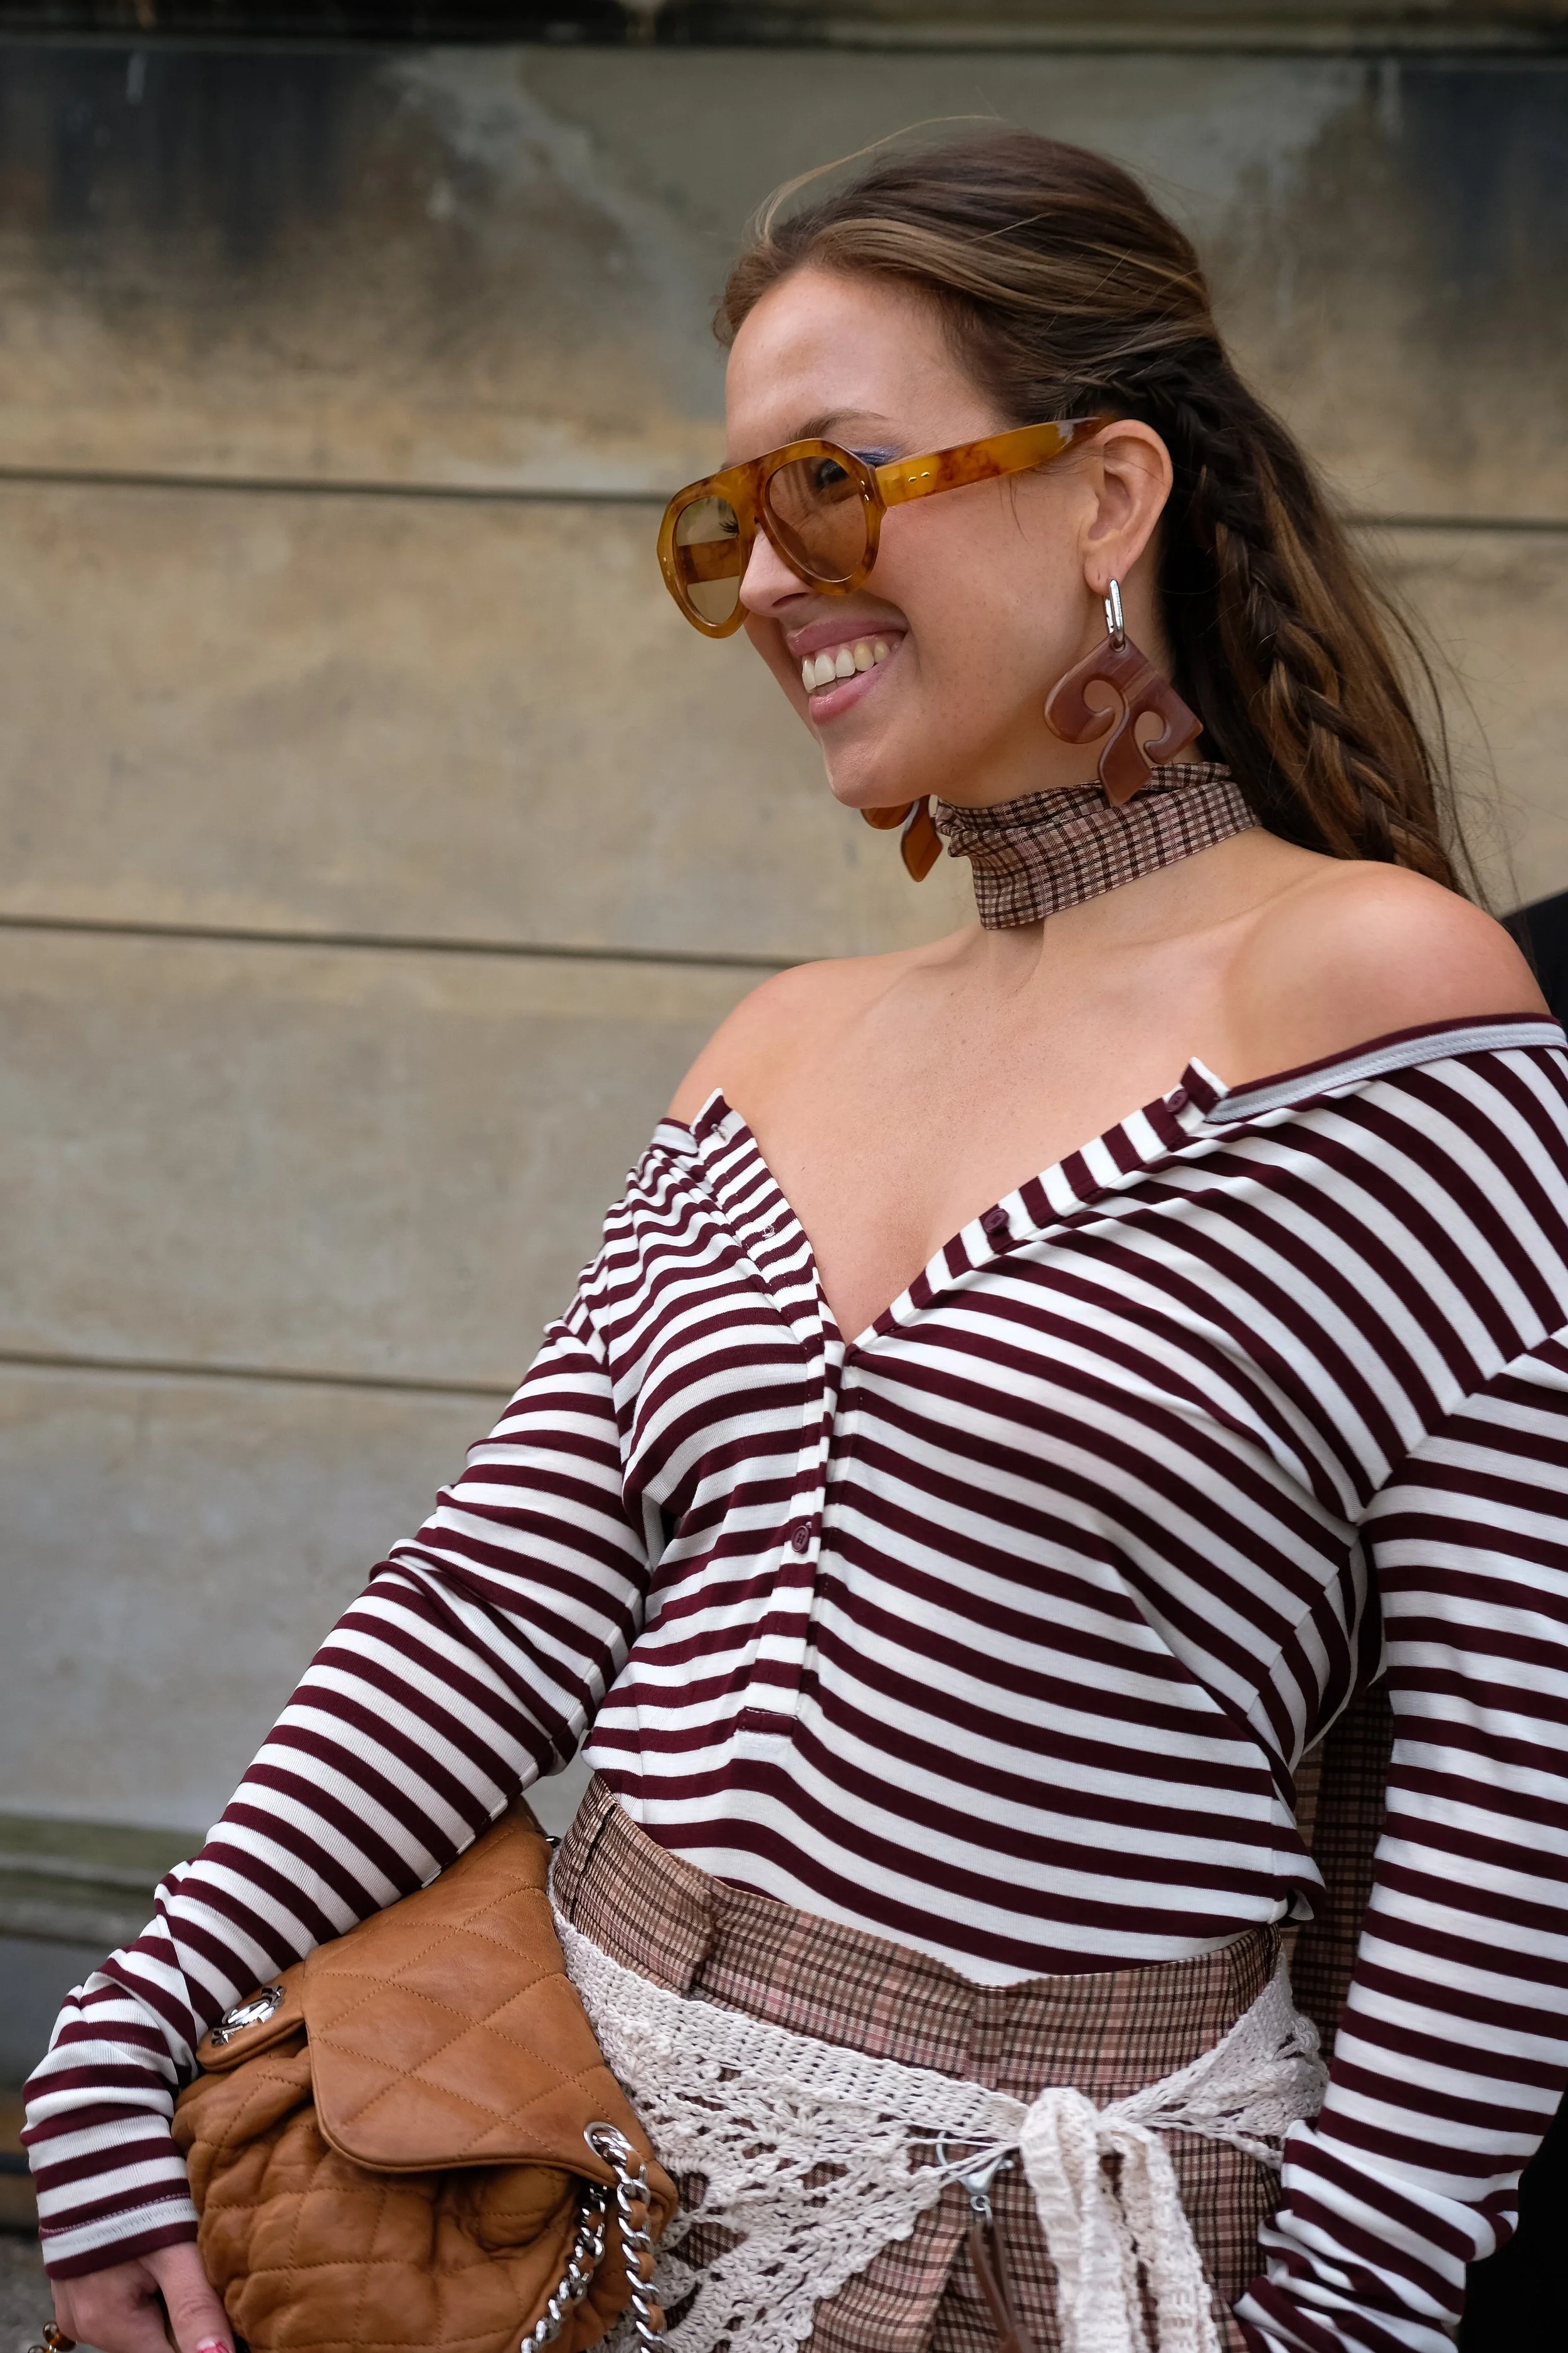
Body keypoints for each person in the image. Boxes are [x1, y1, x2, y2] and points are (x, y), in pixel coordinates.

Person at [24, 131, 1568, 2353]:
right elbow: (488, 1609)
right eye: (726, 520)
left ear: (1106, 495)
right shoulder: (778, 1043)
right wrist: (128, 2025)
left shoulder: (1377, 1001)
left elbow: (1510, 1777)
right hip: (552, 2224)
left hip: (1045, 2269)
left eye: (830, 487)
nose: (764, 580)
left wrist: (1343, 2316)